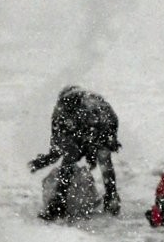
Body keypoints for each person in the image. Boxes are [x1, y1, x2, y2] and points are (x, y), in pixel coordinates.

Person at [29, 86, 121, 219]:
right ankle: (110, 197)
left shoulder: (88, 109)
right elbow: (59, 140)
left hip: (101, 128)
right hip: (98, 128)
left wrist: (107, 140)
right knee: (88, 158)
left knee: (87, 157)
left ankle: (60, 202)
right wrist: (50, 157)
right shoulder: (64, 112)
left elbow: (59, 142)